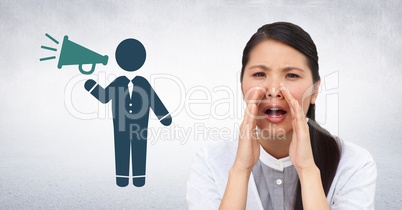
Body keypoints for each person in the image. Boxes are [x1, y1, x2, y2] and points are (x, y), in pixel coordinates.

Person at [186, 22, 376, 209]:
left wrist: (308, 170)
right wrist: (240, 171)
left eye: (291, 75)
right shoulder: (209, 162)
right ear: (241, 85)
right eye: (260, 74)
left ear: (315, 89)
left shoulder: (354, 165)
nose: (274, 90)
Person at [85, 38, 172, 187]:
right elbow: (105, 97)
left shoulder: (142, 82)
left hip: (140, 124)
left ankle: (139, 179)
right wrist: (91, 86)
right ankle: (122, 179)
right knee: (121, 148)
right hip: (121, 123)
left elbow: (153, 99)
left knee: (139, 148)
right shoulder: (119, 82)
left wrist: (164, 116)